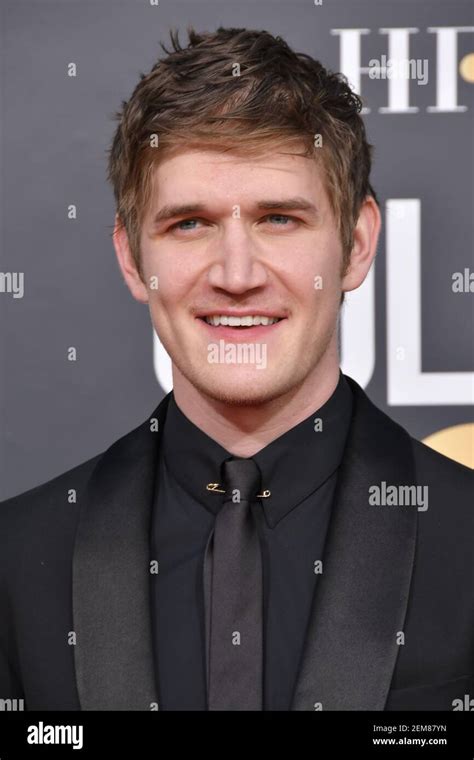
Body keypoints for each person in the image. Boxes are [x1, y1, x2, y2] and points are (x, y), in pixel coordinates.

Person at [0, 26, 472, 712]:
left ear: (358, 244)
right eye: (189, 223)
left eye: (279, 218)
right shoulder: (15, 560)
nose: (237, 275)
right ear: (133, 260)